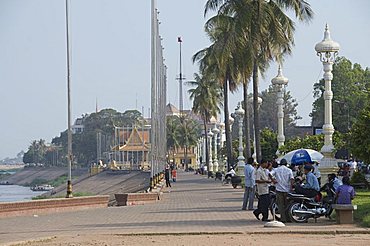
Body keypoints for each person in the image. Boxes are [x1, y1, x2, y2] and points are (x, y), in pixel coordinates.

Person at [270, 158, 294, 223]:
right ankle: (288, 218)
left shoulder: (276, 169)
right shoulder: (289, 170)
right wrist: (291, 187)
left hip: (279, 189)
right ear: (286, 164)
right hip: (287, 189)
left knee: (280, 205)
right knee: (287, 204)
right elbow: (292, 179)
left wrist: (273, 181)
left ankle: (283, 219)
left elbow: (270, 174)